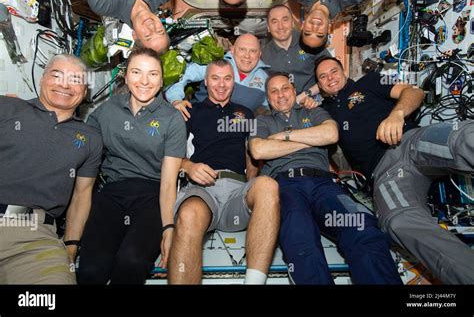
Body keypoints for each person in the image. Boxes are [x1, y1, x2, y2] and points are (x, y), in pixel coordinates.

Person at [316, 56, 474, 284]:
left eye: (333, 71)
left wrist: (396, 114)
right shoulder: (324, 113)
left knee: (464, 139)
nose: (330, 78)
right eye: (323, 76)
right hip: (385, 172)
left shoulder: (369, 81)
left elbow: (415, 92)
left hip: (411, 142)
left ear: (343, 71)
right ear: (319, 85)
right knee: (398, 222)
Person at [249, 72, 402, 284]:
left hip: (325, 184)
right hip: (285, 186)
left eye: (285, 88)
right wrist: (311, 139)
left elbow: (330, 134)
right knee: (299, 237)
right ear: (268, 98)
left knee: (361, 227)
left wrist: (284, 137)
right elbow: (258, 150)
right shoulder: (262, 120)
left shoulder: (313, 112)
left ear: (294, 92)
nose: (280, 95)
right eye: (273, 91)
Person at [77, 48, 186, 284]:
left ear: (162, 79)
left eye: (153, 74)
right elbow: (84, 163)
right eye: (137, 72)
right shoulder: (104, 113)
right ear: (125, 76)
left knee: (132, 262)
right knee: (91, 270)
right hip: (112, 194)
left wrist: (168, 228)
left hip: (152, 195)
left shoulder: (172, 119)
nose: (144, 81)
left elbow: (169, 182)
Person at [168, 59, 280, 284]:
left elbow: (252, 157)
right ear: (206, 81)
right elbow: (170, 157)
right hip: (202, 191)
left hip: (237, 195)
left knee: (268, 185)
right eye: (215, 78)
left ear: (234, 83)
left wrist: (251, 188)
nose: (221, 85)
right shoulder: (190, 112)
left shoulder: (245, 114)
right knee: (188, 215)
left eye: (227, 79)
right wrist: (188, 166)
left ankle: (254, 281)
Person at [0, 54, 102, 284]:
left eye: (75, 79)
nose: (64, 84)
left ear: (84, 91)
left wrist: (71, 245)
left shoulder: (90, 138)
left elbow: (82, 195)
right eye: (57, 75)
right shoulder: (7, 108)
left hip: (35, 239)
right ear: (42, 80)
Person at [267, 0, 382, 49]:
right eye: (320, 34)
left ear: (303, 25)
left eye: (308, 32)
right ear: (329, 28)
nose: (314, 28)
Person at [166, 33, 270, 118]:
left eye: (253, 51)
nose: (247, 55)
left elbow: (271, 109)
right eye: (242, 49)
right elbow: (182, 75)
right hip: (200, 120)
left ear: (260, 54)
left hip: (235, 130)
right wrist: (176, 100)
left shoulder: (266, 80)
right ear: (232, 50)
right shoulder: (216, 64)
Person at [79, 0, 175, 54]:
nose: (152, 27)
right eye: (159, 31)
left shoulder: (103, 3)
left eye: (148, 36)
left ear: (135, 36)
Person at [262, 4, 329, 100]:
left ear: (292, 23)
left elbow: (331, 75)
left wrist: (305, 96)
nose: (280, 26)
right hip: (283, 107)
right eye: (274, 21)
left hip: (316, 100)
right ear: (268, 27)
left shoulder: (310, 41)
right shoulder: (264, 55)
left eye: (285, 20)